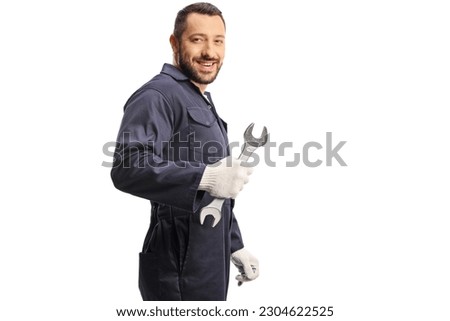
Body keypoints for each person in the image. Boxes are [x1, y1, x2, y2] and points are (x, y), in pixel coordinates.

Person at [111, 2, 259, 301]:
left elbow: (217, 193)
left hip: (208, 258)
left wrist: (234, 244)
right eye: (197, 39)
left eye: (218, 41)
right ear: (174, 43)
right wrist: (204, 177)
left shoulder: (199, 98)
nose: (210, 51)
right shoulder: (157, 96)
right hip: (176, 262)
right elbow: (127, 167)